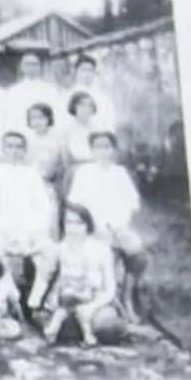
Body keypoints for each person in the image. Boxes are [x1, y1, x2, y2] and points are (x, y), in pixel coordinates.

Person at [64, 125, 150, 317]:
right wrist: (95, 226)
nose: (102, 151)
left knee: (138, 255)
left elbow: (132, 202)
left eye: (107, 147)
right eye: (98, 147)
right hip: (92, 228)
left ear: (113, 150)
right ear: (91, 150)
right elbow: (76, 204)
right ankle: (108, 300)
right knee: (105, 255)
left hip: (118, 226)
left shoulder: (120, 173)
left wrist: (120, 224)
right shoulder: (84, 173)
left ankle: (127, 296)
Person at [0, 131, 60, 292]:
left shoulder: (32, 173)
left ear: (24, 150)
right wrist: (5, 234)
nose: (14, 151)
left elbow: (43, 207)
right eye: (10, 146)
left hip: (31, 233)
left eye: (18, 147)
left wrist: (31, 234)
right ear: (3, 149)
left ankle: (36, 298)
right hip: (3, 233)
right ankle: (10, 297)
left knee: (51, 252)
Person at [37, 202, 126, 346]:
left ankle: (88, 329)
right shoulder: (62, 248)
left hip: (97, 301)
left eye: (79, 223)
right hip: (71, 302)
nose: (73, 228)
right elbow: (57, 281)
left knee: (106, 327)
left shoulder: (101, 250)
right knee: (57, 320)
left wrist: (92, 307)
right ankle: (76, 330)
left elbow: (110, 290)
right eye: (69, 222)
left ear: (87, 225)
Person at [17, 99, 70, 184]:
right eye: (33, 118)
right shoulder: (26, 139)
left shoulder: (58, 138)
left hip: (52, 180)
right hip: (29, 179)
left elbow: (64, 163)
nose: (37, 121)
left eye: (41, 117)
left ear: (49, 118)